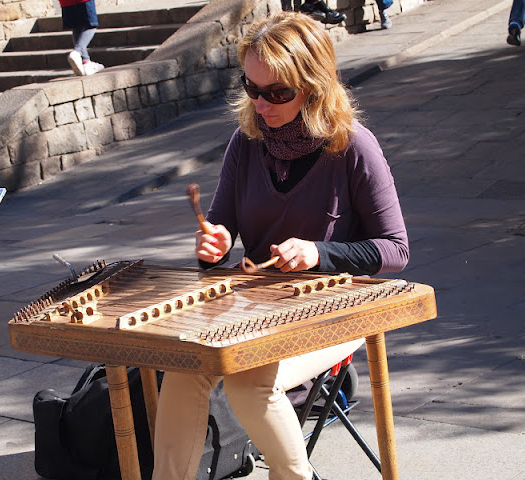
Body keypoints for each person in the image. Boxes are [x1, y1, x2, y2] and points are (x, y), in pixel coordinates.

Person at [152, 11, 409, 480]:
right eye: (252, 89)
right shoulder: (246, 142)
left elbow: (395, 249)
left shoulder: (353, 146)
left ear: (313, 86)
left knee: (249, 383)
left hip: (333, 310)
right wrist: (216, 243)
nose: (261, 104)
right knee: (184, 367)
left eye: (277, 93)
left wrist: (318, 253)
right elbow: (223, 230)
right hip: (256, 308)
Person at [58, 0, 105, 76]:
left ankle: (85, 62)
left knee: (77, 27)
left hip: (65, 2)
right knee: (91, 26)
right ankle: (77, 51)